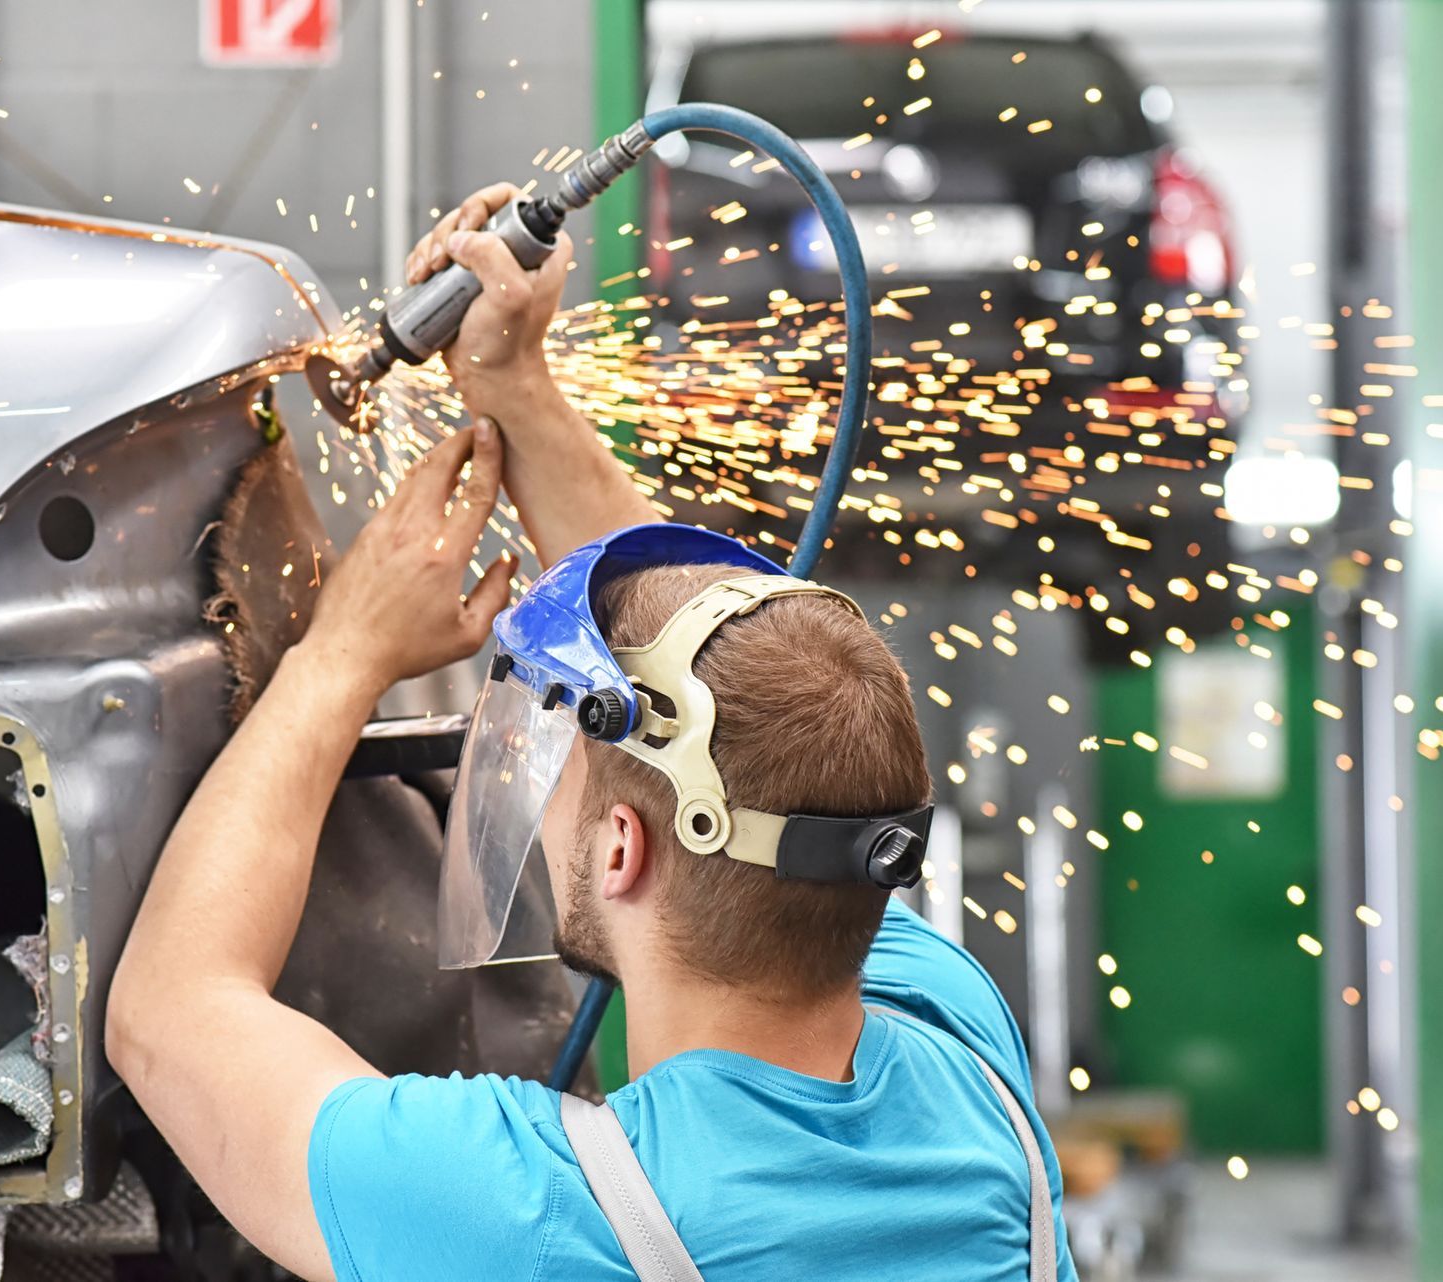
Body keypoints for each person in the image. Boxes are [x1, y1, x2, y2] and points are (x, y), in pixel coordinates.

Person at [107, 185, 1076, 1281]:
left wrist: (343, 653)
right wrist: (517, 389)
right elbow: (704, 645)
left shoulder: (540, 1216)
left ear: (623, 847)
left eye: (567, 747)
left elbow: (166, 1012)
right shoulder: (960, 1051)